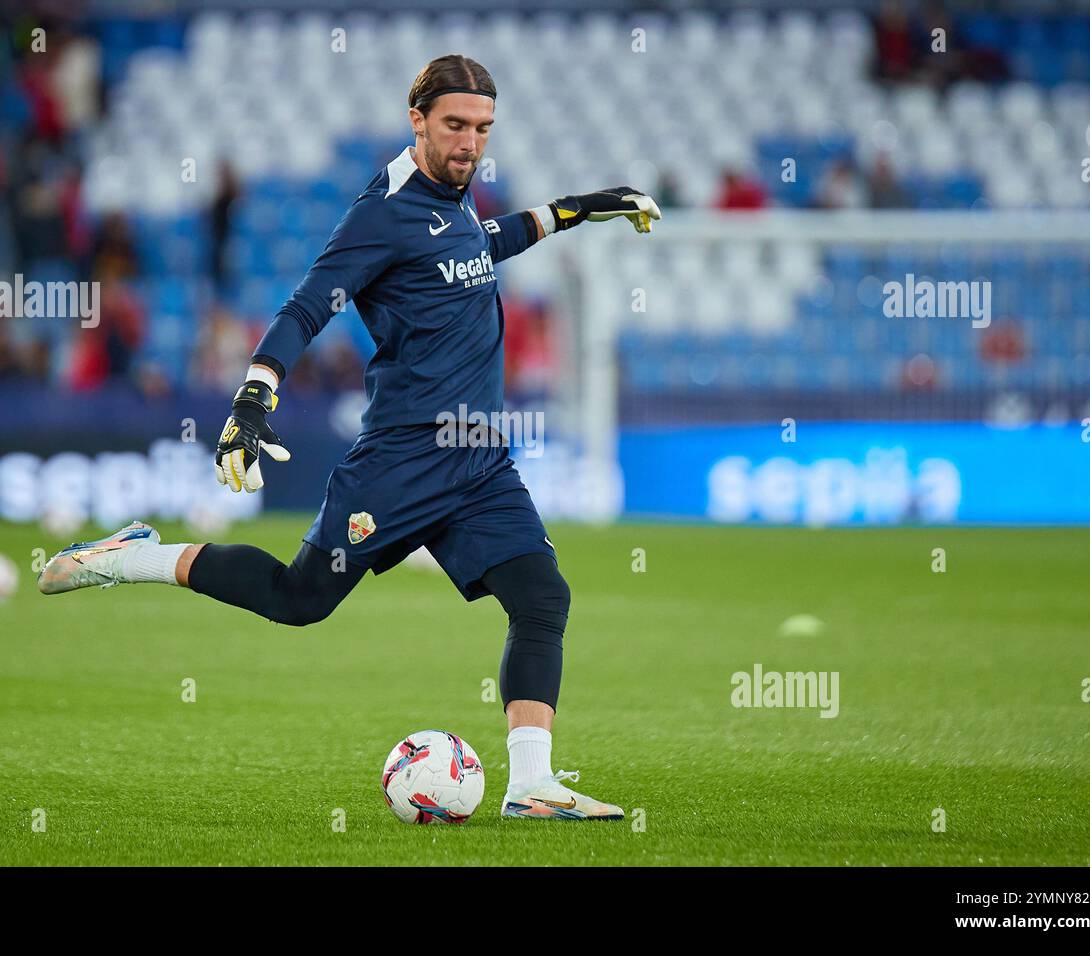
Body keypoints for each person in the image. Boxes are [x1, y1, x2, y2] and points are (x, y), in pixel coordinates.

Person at [37, 54, 661, 821]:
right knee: (298, 600)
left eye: (483, 129)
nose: (470, 143)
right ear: (418, 120)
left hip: (479, 462)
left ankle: (530, 785)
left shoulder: (456, 199)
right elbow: (305, 308)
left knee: (542, 597)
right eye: (456, 126)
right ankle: (133, 556)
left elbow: (479, 248)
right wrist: (255, 393)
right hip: (400, 460)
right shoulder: (382, 213)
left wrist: (574, 210)